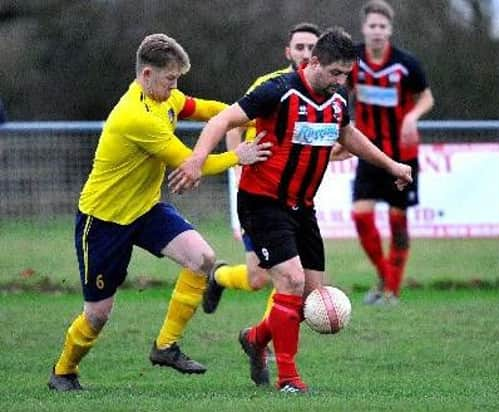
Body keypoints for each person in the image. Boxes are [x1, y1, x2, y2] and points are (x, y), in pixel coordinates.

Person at [168, 27, 413, 393]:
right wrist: (197, 161)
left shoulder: (338, 98)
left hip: (303, 209)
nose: (340, 80)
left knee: (310, 299)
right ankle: (289, 378)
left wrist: (392, 165)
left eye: (346, 74)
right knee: (292, 282)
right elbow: (221, 121)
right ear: (314, 61)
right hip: (262, 203)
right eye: (335, 73)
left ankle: (255, 338)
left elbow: (348, 134)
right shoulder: (277, 91)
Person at [47, 33, 271, 392]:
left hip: (146, 210)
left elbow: (207, 109)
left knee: (202, 259)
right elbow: (191, 163)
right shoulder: (136, 116)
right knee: (97, 315)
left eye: (178, 80)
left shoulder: (165, 97)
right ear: (147, 74)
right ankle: (63, 370)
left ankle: (165, 347)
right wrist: (237, 157)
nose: (175, 87)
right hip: (103, 221)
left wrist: (246, 112)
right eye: (170, 79)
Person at [201, 22, 322, 319]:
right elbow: (235, 123)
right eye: (300, 47)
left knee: (285, 272)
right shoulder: (271, 84)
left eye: (312, 48)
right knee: (257, 278)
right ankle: (218, 277)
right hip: (258, 192)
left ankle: (264, 343)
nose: (306, 53)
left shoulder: (324, 89)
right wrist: (238, 162)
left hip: (292, 196)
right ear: (288, 51)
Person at [349, 0, 434, 305]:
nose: (377, 31)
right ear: (364, 28)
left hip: (403, 155)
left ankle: (391, 292)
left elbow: (426, 98)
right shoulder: (352, 59)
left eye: (382, 26)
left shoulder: (406, 64)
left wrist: (412, 116)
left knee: (398, 223)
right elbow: (336, 87)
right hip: (370, 153)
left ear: (390, 30)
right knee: (360, 217)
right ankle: (386, 278)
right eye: (372, 26)